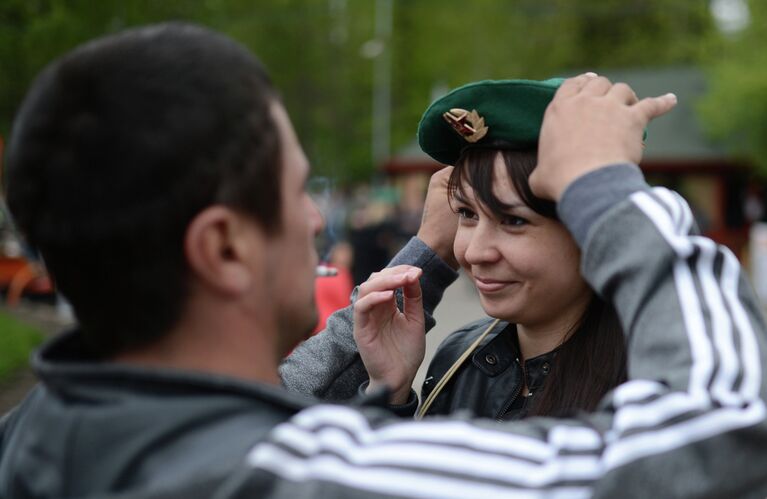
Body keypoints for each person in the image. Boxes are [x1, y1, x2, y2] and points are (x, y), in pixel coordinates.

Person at [0, 23, 764, 499]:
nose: (316, 217)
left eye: (512, 219)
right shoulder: (268, 469)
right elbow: (720, 429)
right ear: (222, 246)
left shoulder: (41, 432)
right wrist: (612, 194)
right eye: (300, 191)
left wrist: (385, 392)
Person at [353, 79, 627, 420]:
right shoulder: (458, 357)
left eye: (513, 221)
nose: (474, 252)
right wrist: (389, 391)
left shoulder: (648, 384)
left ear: (593, 227)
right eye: (467, 214)